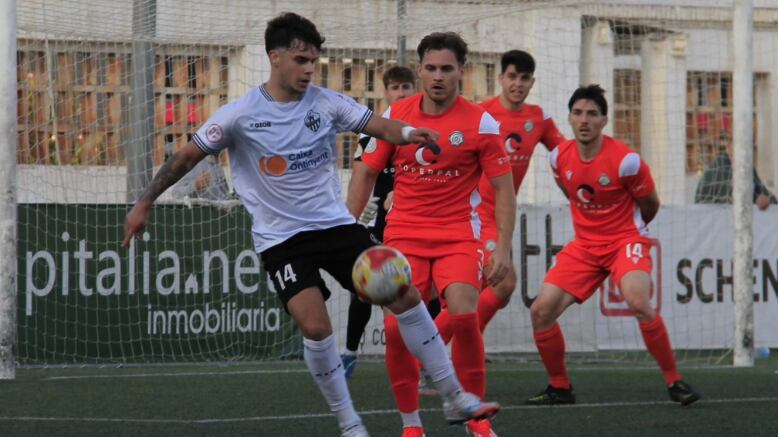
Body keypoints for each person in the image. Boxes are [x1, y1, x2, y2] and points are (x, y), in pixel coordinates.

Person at [122, 13, 499, 437]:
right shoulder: (240, 115)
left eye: (314, 61)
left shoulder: (326, 102)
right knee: (317, 327)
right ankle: (350, 424)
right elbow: (186, 156)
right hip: (282, 240)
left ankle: (453, 395)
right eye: (301, 60)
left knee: (404, 294)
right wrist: (144, 201)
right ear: (275, 57)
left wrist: (411, 132)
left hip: (335, 227)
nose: (308, 69)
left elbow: (379, 124)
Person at [348, 32, 516, 437]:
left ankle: (476, 420)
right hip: (404, 234)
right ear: (420, 68)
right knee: (393, 330)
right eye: (430, 68)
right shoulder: (396, 116)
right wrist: (347, 232)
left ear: (462, 70)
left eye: (447, 68)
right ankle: (411, 425)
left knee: (463, 314)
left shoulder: (482, 122)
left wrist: (504, 248)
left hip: (459, 234)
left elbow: (503, 189)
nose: (438, 76)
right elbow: (366, 173)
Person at [525, 84, 700, 406]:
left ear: (605, 120)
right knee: (541, 310)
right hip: (586, 247)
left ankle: (675, 381)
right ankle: (560, 387)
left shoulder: (626, 161)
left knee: (638, 300)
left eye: (592, 114)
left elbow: (650, 204)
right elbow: (571, 192)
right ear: (570, 118)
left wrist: (628, 231)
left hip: (625, 242)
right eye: (578, 113)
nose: (584, 120)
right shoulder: (557, 157)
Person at [433, 49, 565, 343]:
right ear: (500, 78)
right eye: (512, 77)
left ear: (532, 82)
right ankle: (445, 353)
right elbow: (446, 148)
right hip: (474, 213)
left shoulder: (538, 118)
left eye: (524, 78)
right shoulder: (480, 114)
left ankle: (440, 353)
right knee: (502, 283)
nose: (518, 84)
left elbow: (565, 154)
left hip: (500, 216)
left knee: (484, 288)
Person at [341, 66, 416, 379]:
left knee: (416, 293)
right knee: (366, 286)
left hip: (417, 218)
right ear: (386, 92)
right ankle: (349, 352)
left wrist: (403, 193)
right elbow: (362, 173)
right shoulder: (374, 129)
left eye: (406, 87)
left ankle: (418, 361)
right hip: (381, 219)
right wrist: (349, 220)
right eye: (395, 88)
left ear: (415, 89)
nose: (400, 93)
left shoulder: (423, 131)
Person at [694, 137, 776, 210]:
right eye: (738, 146)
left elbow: (766, 196)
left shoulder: (748, 169)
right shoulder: (720, 166)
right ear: (728, 147)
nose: (743, 151)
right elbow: (732, 199)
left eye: (747, 148)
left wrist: (765, 200)